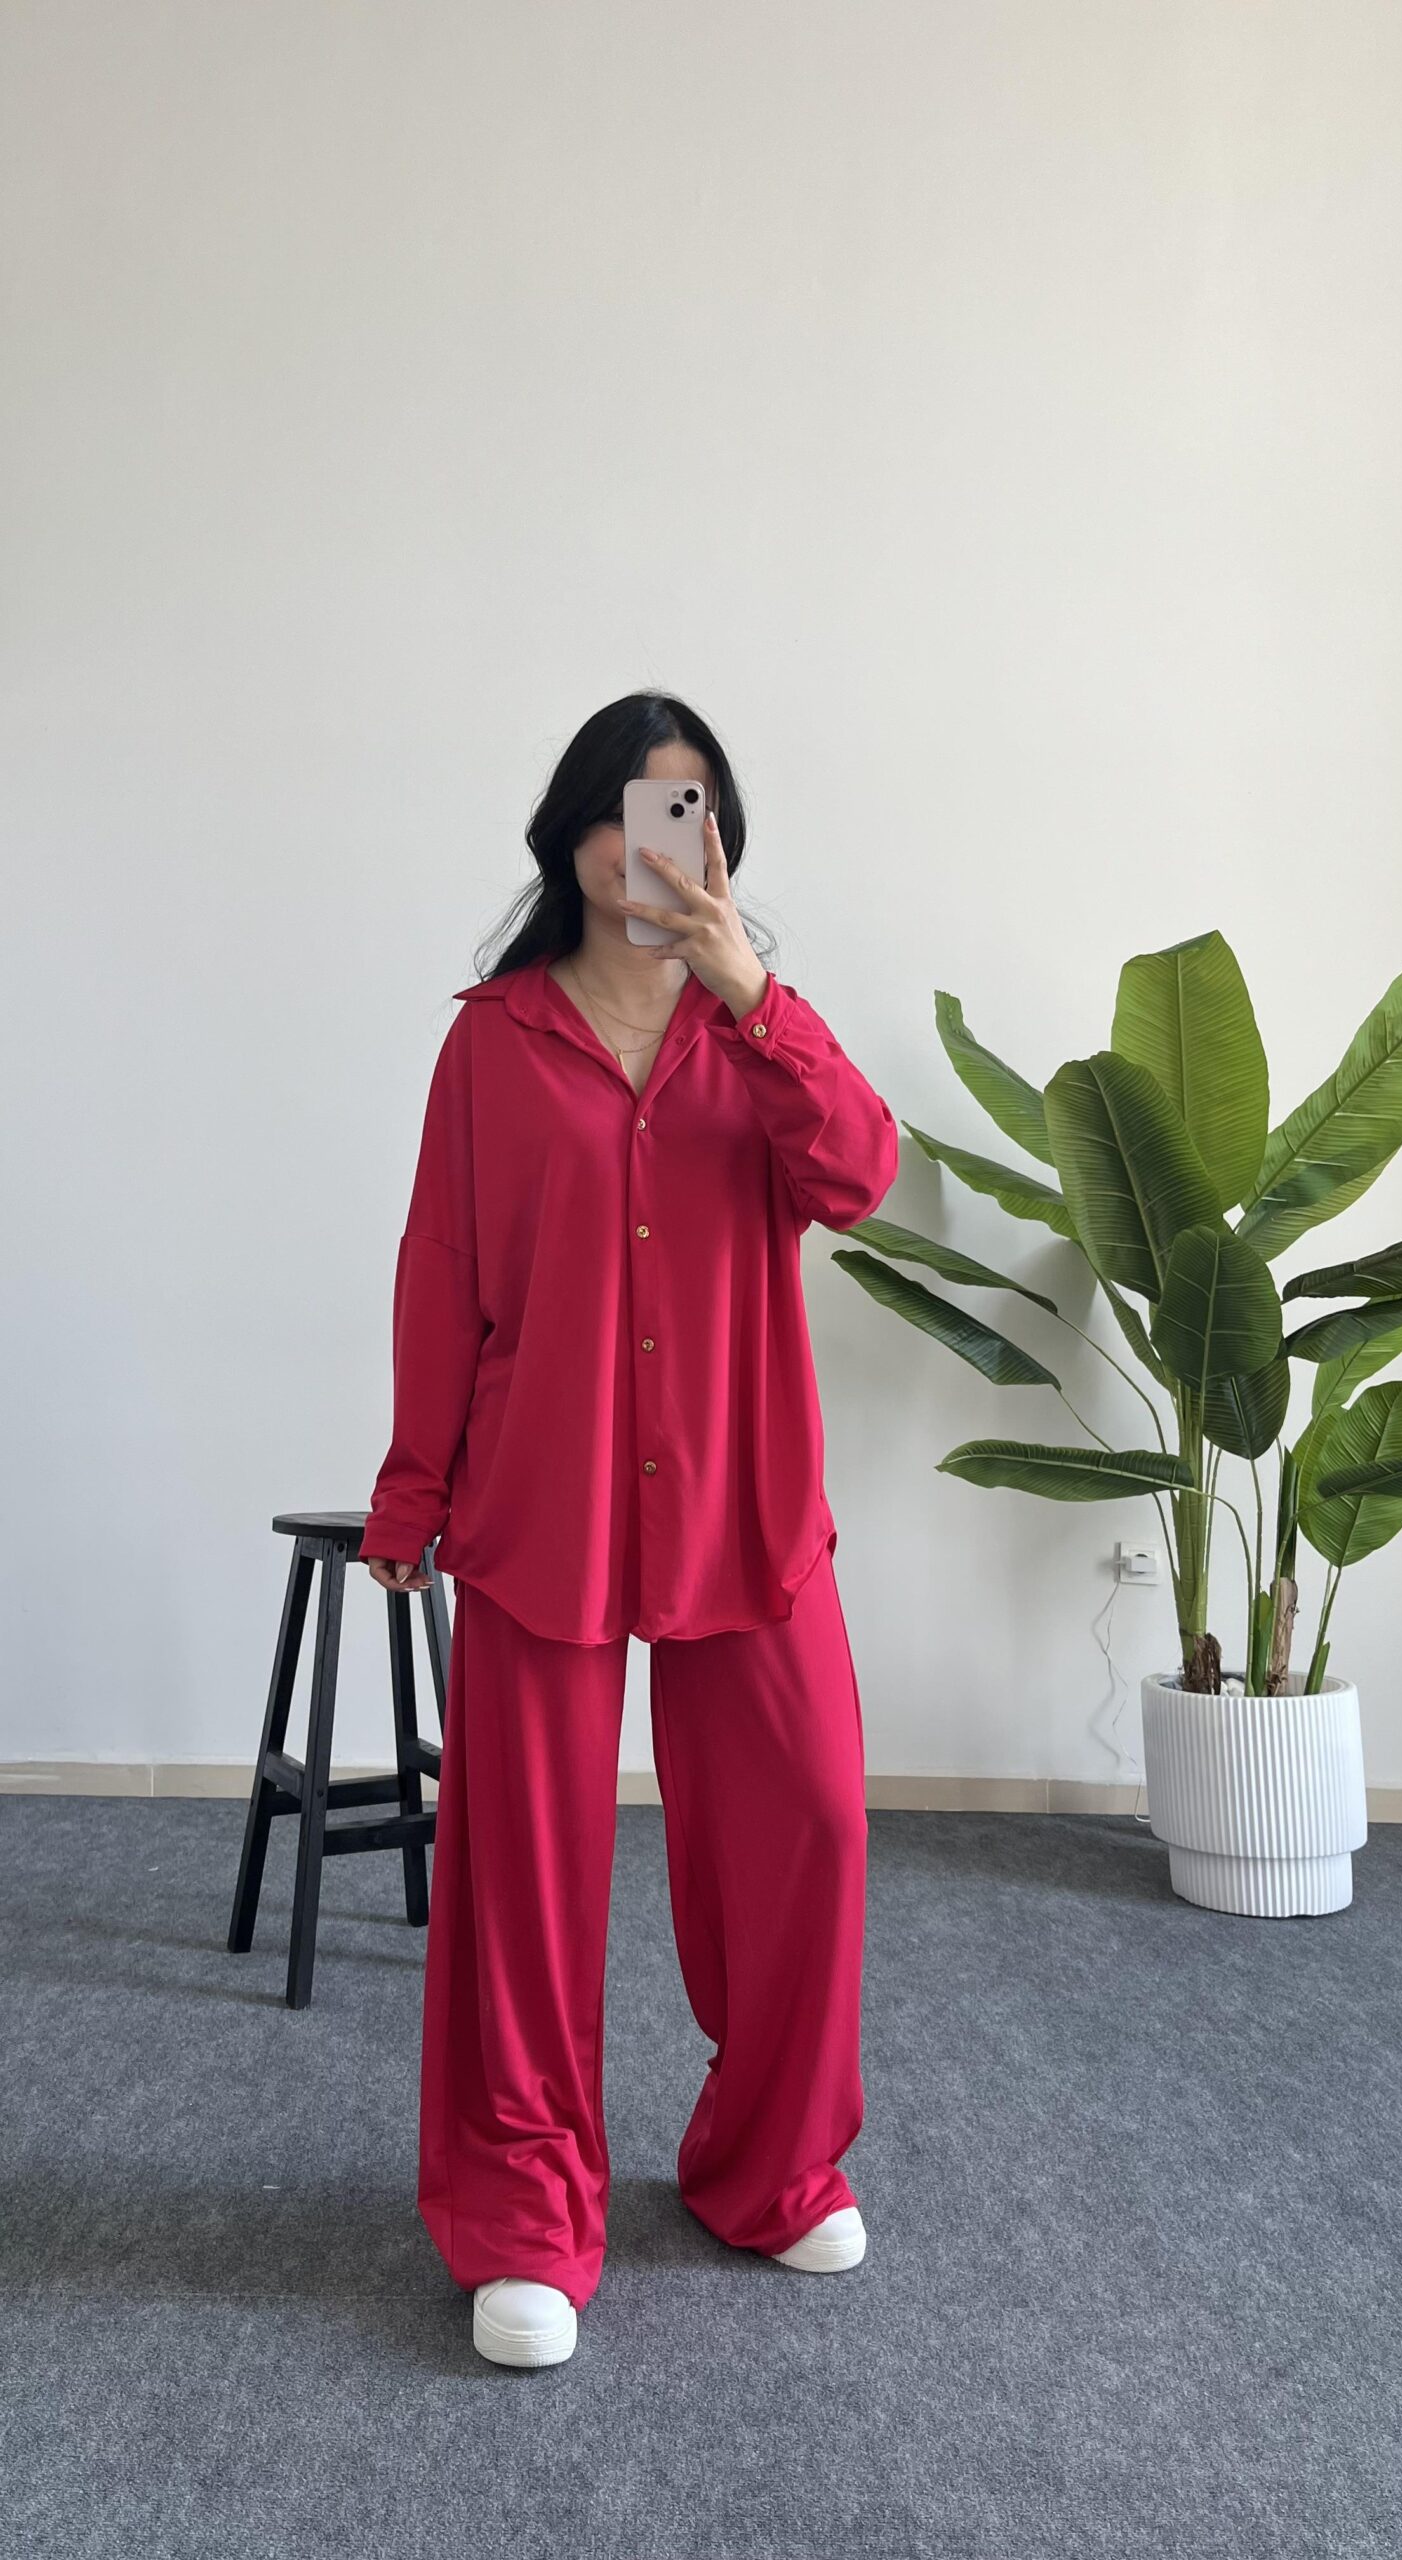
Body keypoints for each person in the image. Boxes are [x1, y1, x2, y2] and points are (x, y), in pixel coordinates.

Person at [359, 691, 899, 2369]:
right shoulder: (492, 1044)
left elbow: (862, 1176)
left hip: (744, 1495)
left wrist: (754, 996)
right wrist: (414, 1488)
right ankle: (525, 2209)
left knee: (809, 1824)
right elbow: (444, 1275)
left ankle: (769, 2165)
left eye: (687, 809)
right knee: (523, 1872)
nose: (650, 839)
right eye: (625, 806)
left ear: (718, 840)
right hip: (549, 1499)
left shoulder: (761, 1036)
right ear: (573, 832)